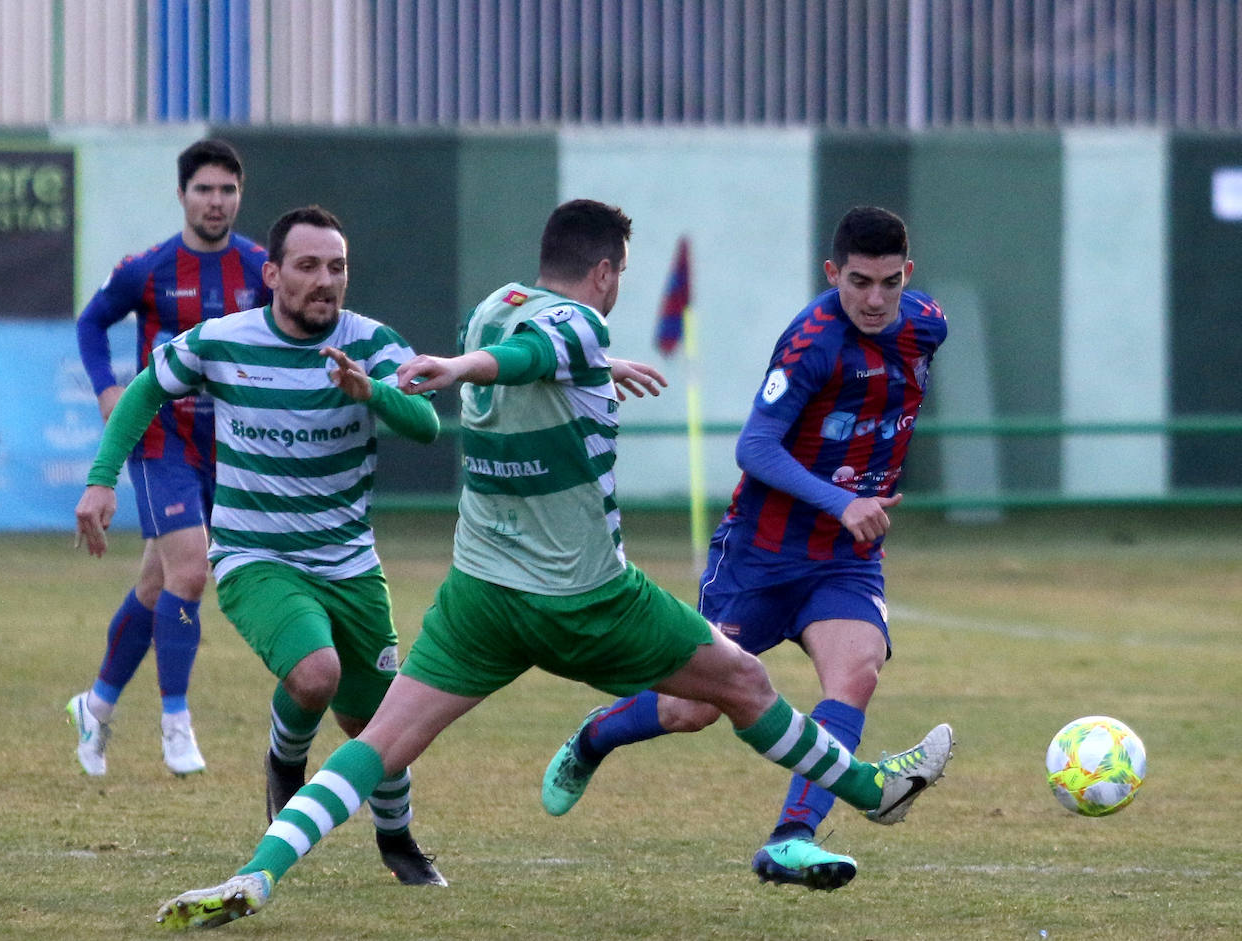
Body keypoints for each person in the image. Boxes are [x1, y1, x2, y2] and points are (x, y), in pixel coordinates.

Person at [147, 198, 953, 931]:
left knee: (379, 743)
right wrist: (468, 373)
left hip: (480, 600)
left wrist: (575, 367)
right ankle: (873, 793)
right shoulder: (575, 328)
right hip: (589, 599)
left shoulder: (490, 309)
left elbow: (535, 350)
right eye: (618, 279)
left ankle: (257, 873)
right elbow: (540, 353)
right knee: (744, 685)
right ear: (603, 272)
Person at [539, 206, 950, 891]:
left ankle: (790, 838)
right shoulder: (811, 342)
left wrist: (863, 485)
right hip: (759, 555)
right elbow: (754, 447)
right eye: (858, 282)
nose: (874, 299)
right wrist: (844, 498)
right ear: (832, 274)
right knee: (693, 707)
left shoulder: (928, 324)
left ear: (907, 274)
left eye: (888, 283)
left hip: (843, 557)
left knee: (855, 674)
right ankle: (594, 736)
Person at [75, 205, 446, 887]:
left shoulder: (373, 343)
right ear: (273, 273)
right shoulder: (222, 340)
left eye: (336, 267)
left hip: (350, 562)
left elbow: (426, 422)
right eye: (307, 266)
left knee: (378, 720)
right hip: (256, 555)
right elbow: (144, 394)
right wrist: (102, 481)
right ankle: (284, 760)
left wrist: (372, 394)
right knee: (315, 672)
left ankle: (397, 838)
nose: (324, 280)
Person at [68, 138, 269, 777]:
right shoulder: (148, 268)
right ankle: (176, 724)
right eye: (204, 189)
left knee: (156, 587)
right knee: (190, 574)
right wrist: (108, 391)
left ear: (240, 195)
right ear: (182, 195)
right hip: (161, 440)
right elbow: (91, 323)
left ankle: (94, 707)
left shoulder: (261, 269)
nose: (216, 201)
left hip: (227, 444)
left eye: (227, 190)